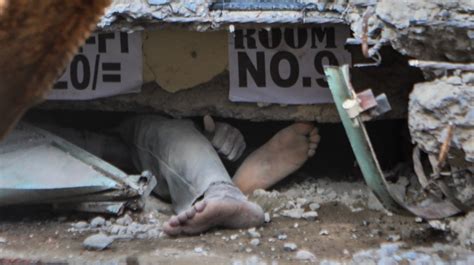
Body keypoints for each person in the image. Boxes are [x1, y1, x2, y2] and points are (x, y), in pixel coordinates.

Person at [38, 114, 320, 236]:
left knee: (164, 131)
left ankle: (223, 190)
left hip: (107, 135)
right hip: (29, 144)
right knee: (160, 134)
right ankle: (225, 181)